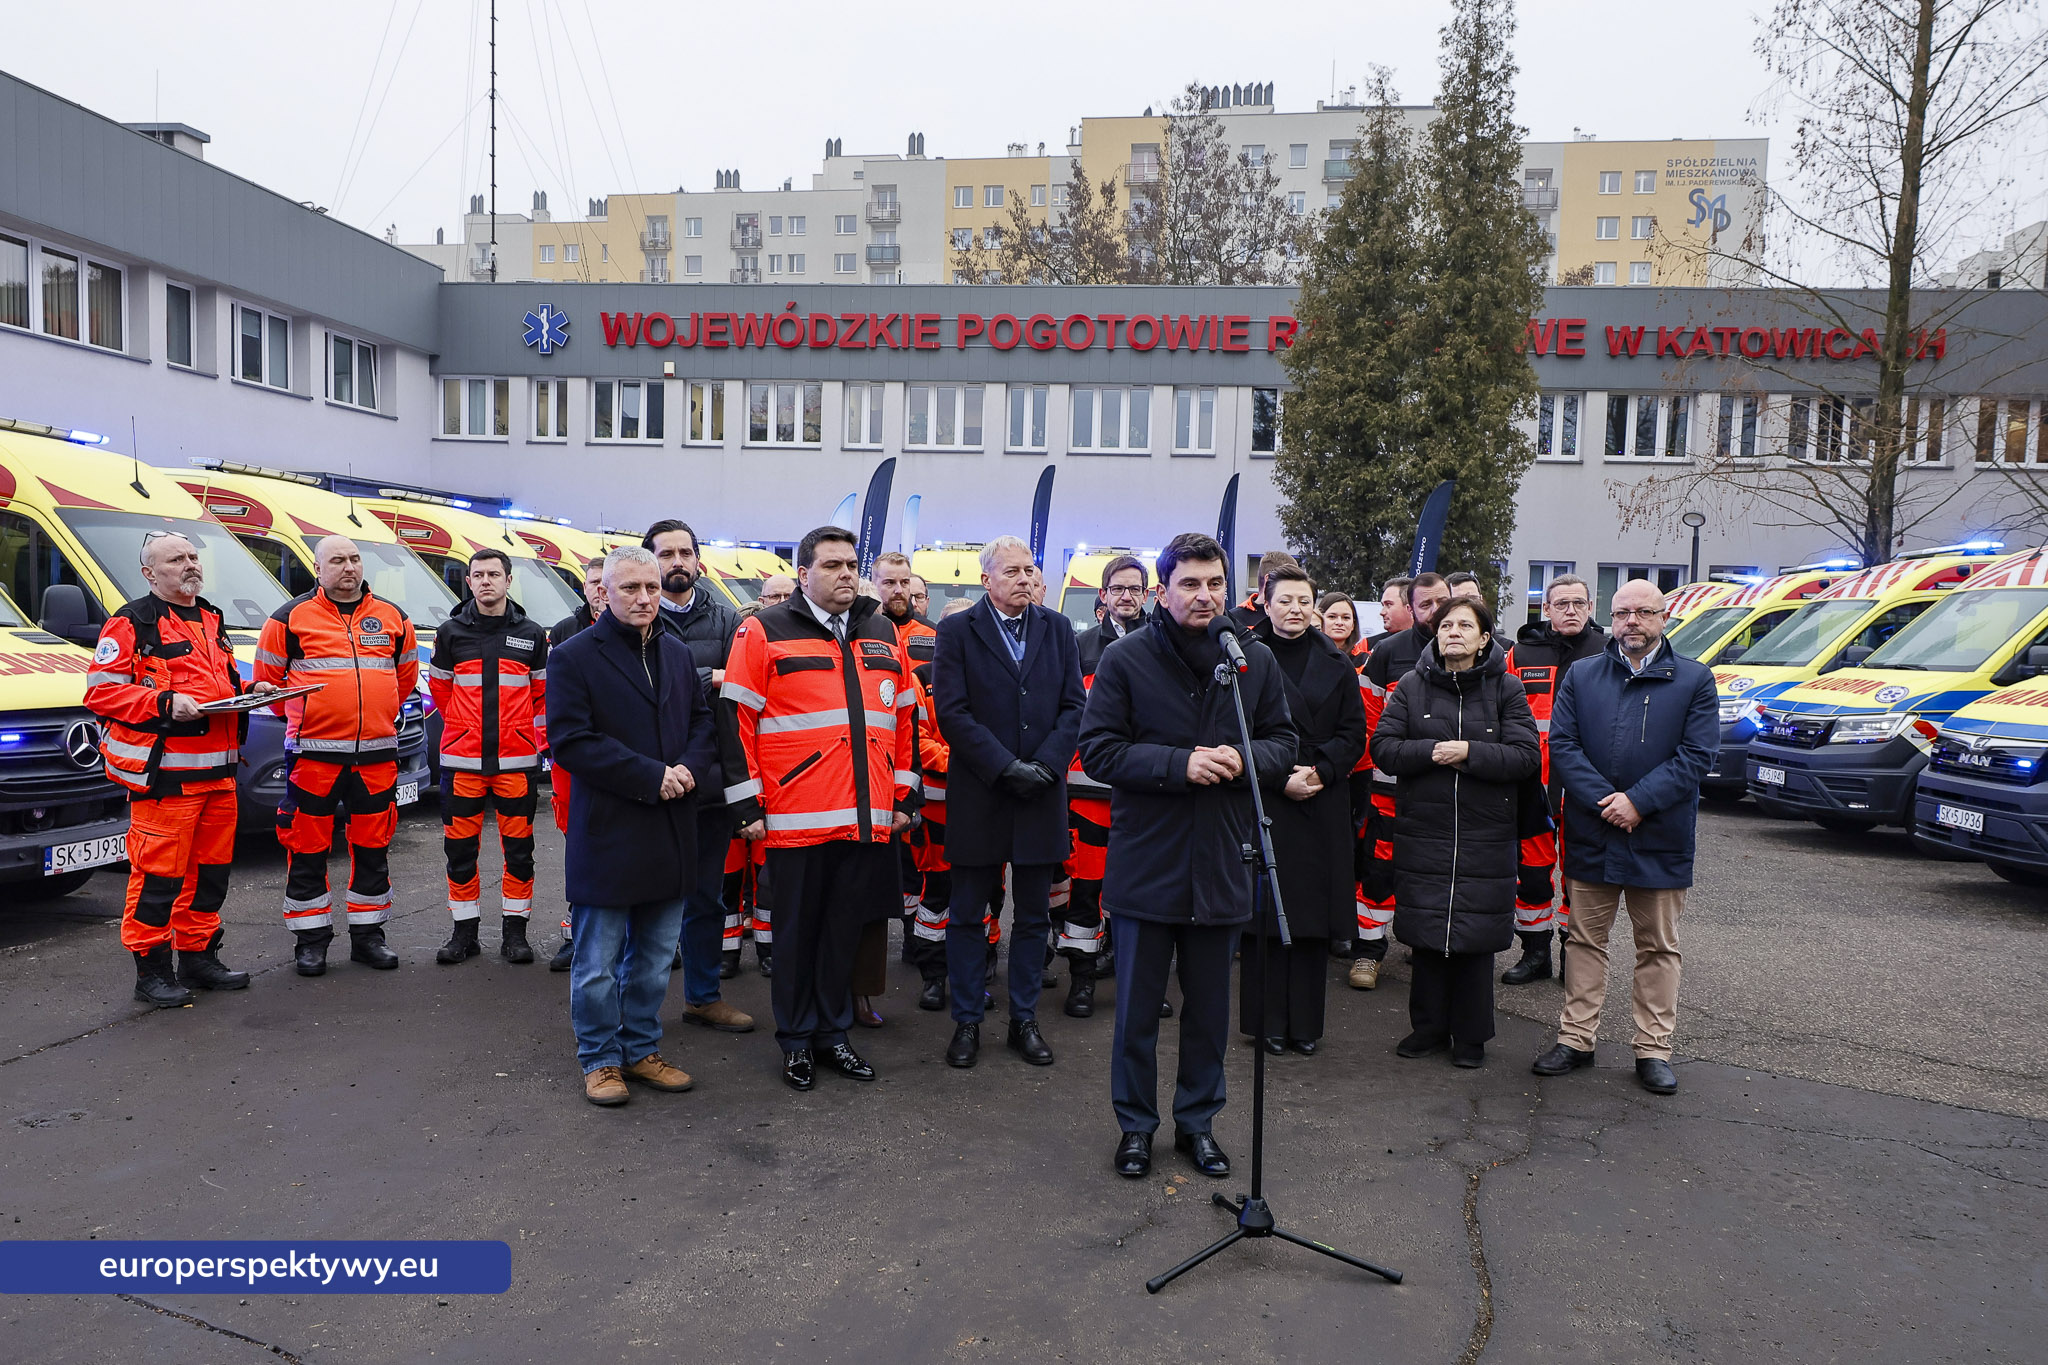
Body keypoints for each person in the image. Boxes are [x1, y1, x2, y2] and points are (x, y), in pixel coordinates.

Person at [1079, 532, 1297, 1181]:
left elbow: (1284, 741)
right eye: (1190, 584)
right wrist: (1180, 763)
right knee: (1137, 1016)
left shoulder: (1251, 657)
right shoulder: (1126, 660)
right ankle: (1136, 1127)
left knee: (1209, 1014)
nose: (1205, 596)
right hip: (1148, 863)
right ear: (1161, 591)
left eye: (1215, 584)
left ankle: (1198, 1123)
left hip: (1225, 859)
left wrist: (1245, 758)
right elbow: (1098, 750)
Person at [723, 525, 919, 1092]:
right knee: (795, 938)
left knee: (842, 935)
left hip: (865, 819)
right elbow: (734, 721)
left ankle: (834, 1036)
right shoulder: (763, 629)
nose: (845, 574)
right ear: (803, 574)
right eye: (831, 565)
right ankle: (796, 1042)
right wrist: (747, 805)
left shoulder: (880, 630)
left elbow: (904, 718)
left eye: (851, 565)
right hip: (793, 820)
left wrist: (904, 794)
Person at [545, 546, 718, 1107]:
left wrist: (689, 768)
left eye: (650, 587)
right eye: (630, 589)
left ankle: (642, 1050)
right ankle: (600, 1059)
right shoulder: (573, 657)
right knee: (597, 964)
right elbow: (572, 741)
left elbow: (700, 719)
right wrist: (652, 776)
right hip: (612, 830)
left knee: (651, 959)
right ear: (605, 592)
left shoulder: (672, 650)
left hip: (670, 828)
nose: (644, 598)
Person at [1532, 579, 1718, 1096]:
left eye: (1643, 612)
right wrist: (1607, 802)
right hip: (1593, 832)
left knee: (1658, 947)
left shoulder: (1694, 680)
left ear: (1664, 617)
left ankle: (1653, 1050)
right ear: (1609, 618)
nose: (1631, 622)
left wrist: (1639, 801)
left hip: (1659, 834)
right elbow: (1563, 746)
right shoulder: (1584, 675)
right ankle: (1576, 1039)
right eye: (1622, 613)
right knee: (1584, 941)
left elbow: (1697, 756)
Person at [85, 532, 276, 1007]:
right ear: (150, 573)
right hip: (167, 781)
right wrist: (163, 701)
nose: (190, 564)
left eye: (193, 556)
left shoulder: (210, 617)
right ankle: (151, 970)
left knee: (209, 877)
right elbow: (101, 693)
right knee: (157, 879)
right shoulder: (130, 623)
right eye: (176, 559)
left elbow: (217, 685)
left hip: (219, 776)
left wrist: (250, 690)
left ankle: (199, 956)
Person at [931, 536, 1087, 1068]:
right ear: (987, 580)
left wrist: (1044, 765)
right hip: (981, 791)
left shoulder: (1058, 627)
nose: (1025, 579)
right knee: (969, 914)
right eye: (1013, 571)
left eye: (1030, 570)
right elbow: (951, 712)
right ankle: (968, 1021)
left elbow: (1074, 706)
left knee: (1033, 917)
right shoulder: (956, 629)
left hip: (1042, 791)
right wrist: (1004, 767)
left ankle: (1024, 1018)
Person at [1369, 597, 1539, 1067]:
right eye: (1447, 625)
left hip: (1485, 833)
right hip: (1425, 828)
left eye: (1466, 625)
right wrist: (1431, 752)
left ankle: (1470, 1036)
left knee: (1475, 937)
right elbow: (1383, 747)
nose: (1454, 632)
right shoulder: (1410, 686)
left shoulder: (1506, 689)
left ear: (1485, 638)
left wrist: (1470, 753)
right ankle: (1426, 1028)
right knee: (1425, 931)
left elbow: (1527, 756)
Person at [255, 536, 418, 976]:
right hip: (313, 756)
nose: (349, 567)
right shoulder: (287, 619)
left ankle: (369, 937)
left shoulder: (393, 617)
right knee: (307, 849)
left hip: (376, 757)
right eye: (337, 560)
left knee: (373, 848)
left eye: (354, 559)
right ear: (317, 568)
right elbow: (267, 689)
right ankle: (311, 942)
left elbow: (403, 682)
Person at [1244, 566, 1368, 1055]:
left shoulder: (1335, 662)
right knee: (1265, 917)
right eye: (1285, 600)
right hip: (1265, 793)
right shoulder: (1246, 657)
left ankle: (1305, 1026)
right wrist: (1279, 777)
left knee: (1312, 919)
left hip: (1321, 795)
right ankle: (1266, 1021)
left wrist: (1318, 772)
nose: (1294, 609)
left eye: (1303, 601)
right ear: (1265, 602)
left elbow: (1353, 733)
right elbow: (1233, 727)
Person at [644, 520, 755, 1032]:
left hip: (709, 784)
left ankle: (703, 996)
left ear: (698, 561)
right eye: (666, 553)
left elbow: (740, 697)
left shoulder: (728, 618)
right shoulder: (637, 617)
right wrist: (704, 676)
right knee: (647, 900)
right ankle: (636, 1014)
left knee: (708, 897)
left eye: (685, 552)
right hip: (651, 783)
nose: (677, 562)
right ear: (650, 562)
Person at [429, 549, 550, 966]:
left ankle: (515, 936)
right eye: (477, 575)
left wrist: (517, 731)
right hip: (463, 763)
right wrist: (465, 728)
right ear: (468, 582)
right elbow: (442, 692)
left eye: (493, 574)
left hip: (515, 762)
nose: (485, 582)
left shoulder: (532, 634)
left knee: (519, 853)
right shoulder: (450, 633)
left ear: (508, 580)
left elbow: (541, 695)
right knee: (460, 852)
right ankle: (464, 934)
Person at [1499, 574, 1607, 986]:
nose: (1571, 611)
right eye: (1561, 604)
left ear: (1590, 608)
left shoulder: (1607, 652)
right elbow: (1504, 715)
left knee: (1579, 878)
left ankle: (1573, 956)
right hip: (1533, 788)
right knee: (1531, 873)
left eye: (1579, 604)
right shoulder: (1522, 653)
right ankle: (1535, 953)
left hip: (1584, 787)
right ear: (1545, 609)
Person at [1350, 570, 1452, 990]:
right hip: (1390, 789)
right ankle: (1369, 953)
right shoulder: (1386, 653)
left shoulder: (1483, 650)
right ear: (1411, 608)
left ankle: (1427, 951)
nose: (1434, 611)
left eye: (1440, 601)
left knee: (1435, 875)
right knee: (1378, 869)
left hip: (1448, 792)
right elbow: (1369, 724)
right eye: (1424, 604)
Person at [1061, 553, 1150, 1015]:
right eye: (1118, 588)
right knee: (1086, 891)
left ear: (1148, 593)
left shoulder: (1165, 642)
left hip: (1146, 795)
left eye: (1135, 588)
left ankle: (1142, 988)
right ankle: (1081, 983)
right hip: (1089, 794)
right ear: (1103, 595)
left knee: (1144, 894)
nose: (1126, 596)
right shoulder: (1079, 646)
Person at [545, 559, 605, 972]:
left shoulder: (649, 628)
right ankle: (576, 937)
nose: (600, 590)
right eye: (594, 583)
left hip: (625, 759)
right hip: (573, 764)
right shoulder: (565, 632)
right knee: (579, 851)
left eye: (607, 582)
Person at [876, 552, 937, 665]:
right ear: (873, 584)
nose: (899, 590)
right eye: (890, 583)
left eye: (904, 582)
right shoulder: (861, 630)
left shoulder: (933, 633)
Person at [1315, 590, 1367, 667]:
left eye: (1346, 618)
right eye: (1332, 617)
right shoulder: (1309, 655)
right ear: (1320, 620)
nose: (1339, 623)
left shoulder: (1366, 661)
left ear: (1353, 624)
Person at [1368, 576, 1414, 648]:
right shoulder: (1367, 646)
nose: (1382, 612)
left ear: (1410, 607)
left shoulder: (1433, 643)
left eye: (1388, 604)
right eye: (1383, 605)